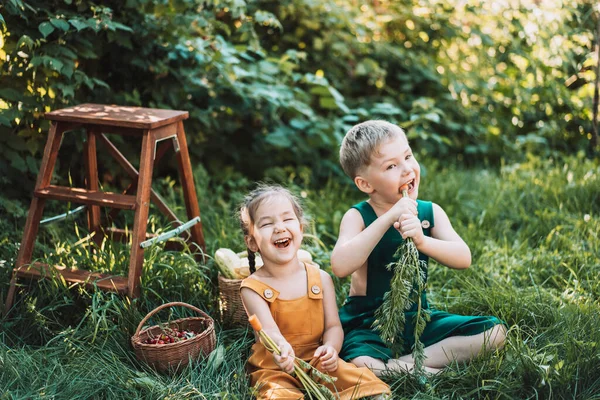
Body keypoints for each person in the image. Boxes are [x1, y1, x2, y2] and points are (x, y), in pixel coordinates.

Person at [331, 120, 506, 376]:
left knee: (495, 333)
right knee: (360, 362)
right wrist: (387, 219)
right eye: (391, 166)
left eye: (408, 156)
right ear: (366, 184)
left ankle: (404, 366)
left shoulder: (428, 212)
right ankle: (419, 370)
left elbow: (463, 257)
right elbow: (340, 265)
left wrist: (423, 241)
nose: (407, 169)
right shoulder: (359, 216)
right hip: (369, 321)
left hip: (418, 317)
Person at [239, 185, 390, 399]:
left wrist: (330, 347)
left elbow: (333, 327)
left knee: (353, 378)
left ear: (300, 229)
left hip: (317, 360)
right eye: (267, 223)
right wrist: (281, 349)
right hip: (275, 364)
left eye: (286, 219)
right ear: (252, 242)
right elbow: (268, 333)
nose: (279, 228)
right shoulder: (252, 288)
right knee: (276, 392)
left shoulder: (320, 279)